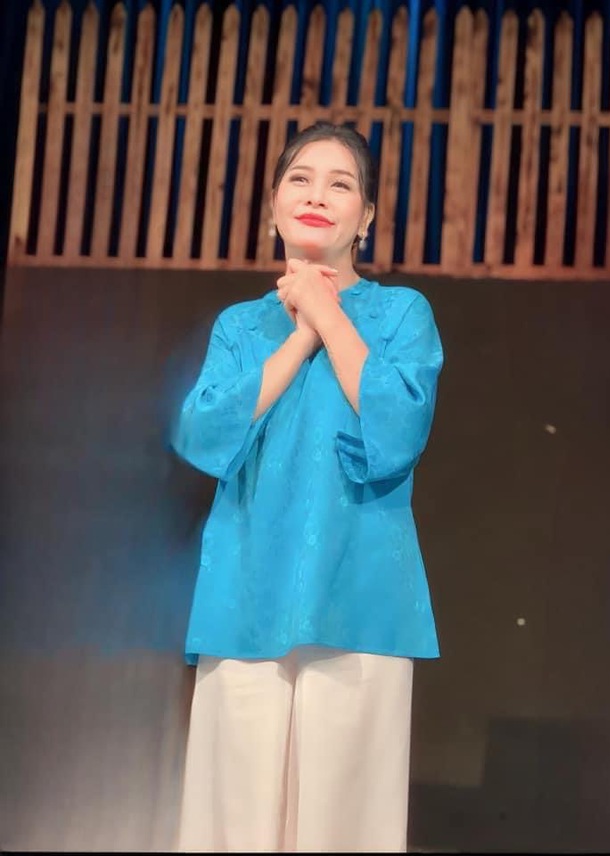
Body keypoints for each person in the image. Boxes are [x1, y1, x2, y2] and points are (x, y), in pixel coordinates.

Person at [172, 121, 444, 853]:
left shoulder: (402, 314)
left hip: (360, 601)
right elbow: (202, 437)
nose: (317, 195)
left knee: (343, 830)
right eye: (300, 179)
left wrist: (327, 312)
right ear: (273, 205)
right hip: (244, 596)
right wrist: (299, 335)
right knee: (234, 827)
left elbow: (398, 430)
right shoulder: (240, 326)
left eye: (340, 184)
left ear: (367, 217)